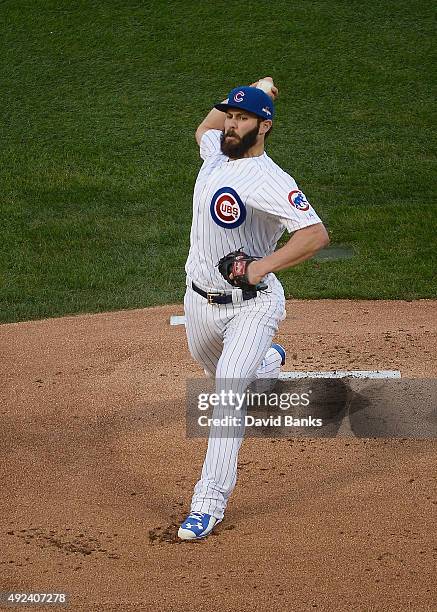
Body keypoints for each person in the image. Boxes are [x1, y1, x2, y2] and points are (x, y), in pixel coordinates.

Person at [178, 77, 329, 540]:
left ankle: (208, 503)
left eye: (242, 118)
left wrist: (260, 266)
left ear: (264, 127)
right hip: (199, 303)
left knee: (227, 392)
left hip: (253, 306)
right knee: (219, 371)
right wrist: (249, 87)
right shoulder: (216, 154)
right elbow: (203, 127)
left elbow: (314, 234)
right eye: (230, 115)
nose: (230, 124)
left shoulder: (269, 180)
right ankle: (268, 361)